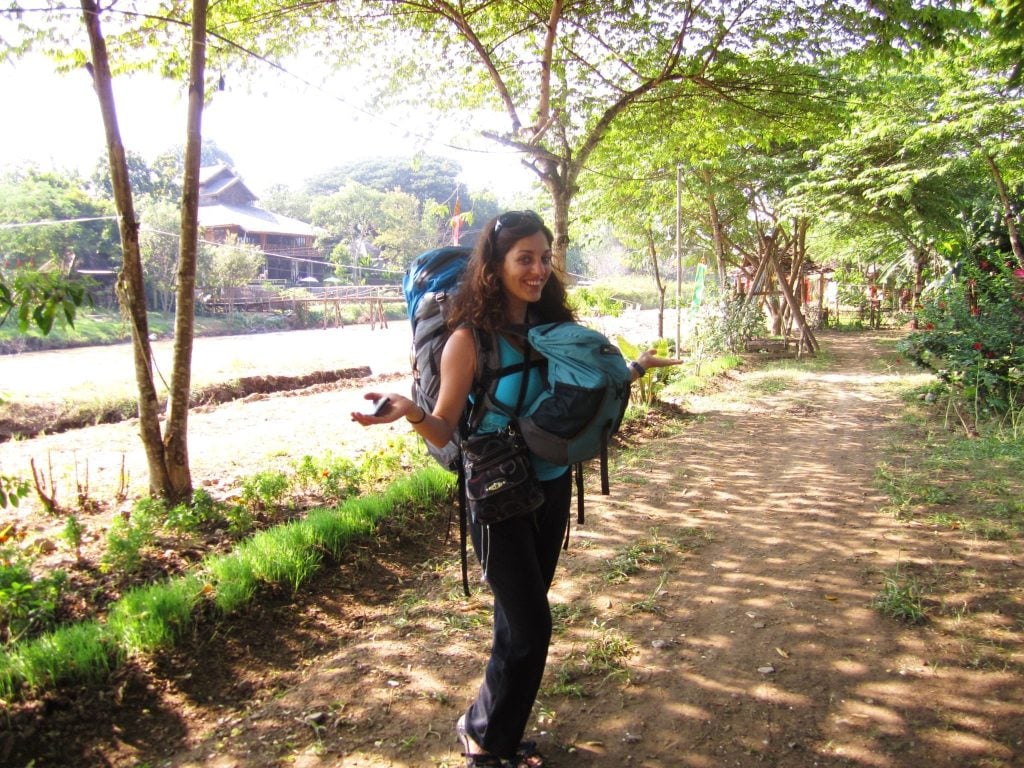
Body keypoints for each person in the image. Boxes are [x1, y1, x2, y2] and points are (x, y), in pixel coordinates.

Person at [352, 210, 681, 767]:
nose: (536, 270)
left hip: (551, 486)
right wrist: (411, 412)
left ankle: (485, 728)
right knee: (530, 626)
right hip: (498, 492)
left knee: (518, 620)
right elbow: (444, 427)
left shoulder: (549, 329)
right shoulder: (467, 340)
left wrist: (635, 368)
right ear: (495, 265)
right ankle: (488, 744)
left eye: (544, 259)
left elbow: (577, 385)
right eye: (524, 258)